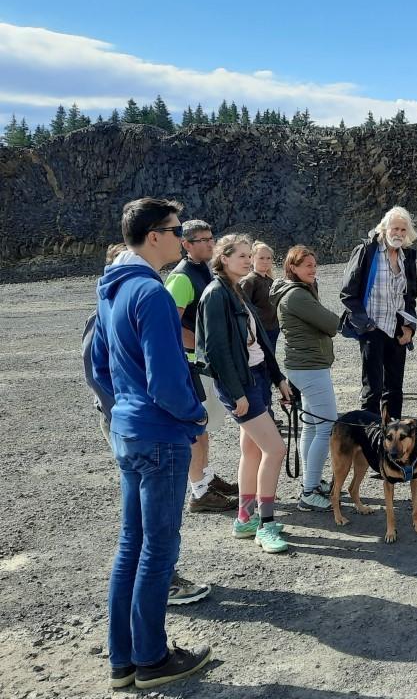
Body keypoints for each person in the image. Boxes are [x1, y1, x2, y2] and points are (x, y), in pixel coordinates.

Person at [90, 198, 212, 690]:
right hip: (160, 434)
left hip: (128, 429)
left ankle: (124, 660)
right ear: (154, 235)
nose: (182, 237)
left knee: (131, 546)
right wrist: (196, 414)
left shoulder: (110, 289)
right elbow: (167, 380)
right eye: (177, 229)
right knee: (158, 550)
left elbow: (98, 363)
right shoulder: (153, 294)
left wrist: (124, 406)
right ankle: (152, 659)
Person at [196, 234, 293, 554]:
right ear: (223, 258)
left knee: (252, 452)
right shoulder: (215, 294)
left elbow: (260, 342)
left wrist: (278, 378)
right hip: (242, 385)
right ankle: (265, 525)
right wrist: (237, 394)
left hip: (258, 379)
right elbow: (217, 351)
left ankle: (244, 518)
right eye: (241, 256)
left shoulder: (237, 290)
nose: (249, 260)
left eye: (250, 255)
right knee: (275, 450)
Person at [164, 220, 237, 513]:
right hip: (192, 365)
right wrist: (205, 343)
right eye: (202, 240)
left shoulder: (205, 270)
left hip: (203, 363)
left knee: (203, 428)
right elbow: (170, 323)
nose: (210, 243)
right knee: (195, 430)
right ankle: (199, 492)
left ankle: (204, 479)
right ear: (186, 244)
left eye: (211, 238)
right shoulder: (181, 278)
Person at [270, 245, 339, 511]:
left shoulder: (296, 292)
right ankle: (309, 491)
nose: (313, 269)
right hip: (310, 368)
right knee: (326, 426)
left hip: (303, 367)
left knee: (311, 425)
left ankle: (310, 482)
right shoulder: (297, 296)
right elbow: (331, 324)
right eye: (307, 265)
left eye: (314, 264)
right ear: (293, 268)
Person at [340, 206, 417, 424]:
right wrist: (365, 325)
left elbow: (410, 297)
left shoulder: (407, 256)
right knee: (372, 389)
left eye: (403, 230)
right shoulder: (367, 251)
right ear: (384, 229)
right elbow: (347, 293)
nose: (399, 234)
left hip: (396, 330)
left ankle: (392, 436)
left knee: (395, 388)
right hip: (372, 328)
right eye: (395, 228)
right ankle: (370, 437)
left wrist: (410, 327)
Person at [239, 241, 280, 349]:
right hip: (258, 331)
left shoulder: (270, 281)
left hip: (273, 329)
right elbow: (242, 307)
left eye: (268, 258)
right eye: (261, 258)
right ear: (252, 259)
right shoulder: (249, 281)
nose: (265, 261)